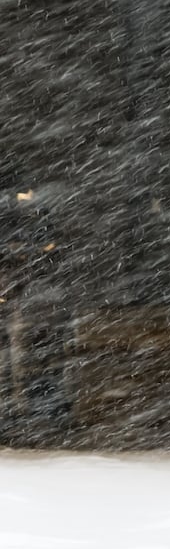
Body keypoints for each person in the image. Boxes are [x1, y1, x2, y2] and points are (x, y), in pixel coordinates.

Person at [0, 185, 74, 446]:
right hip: (30, 302)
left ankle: (44, 406)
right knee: (24, 360)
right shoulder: (33, 224)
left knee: (40, 356)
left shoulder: (38, 225)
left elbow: (53, 255)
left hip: (34, 303)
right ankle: (36, 407)